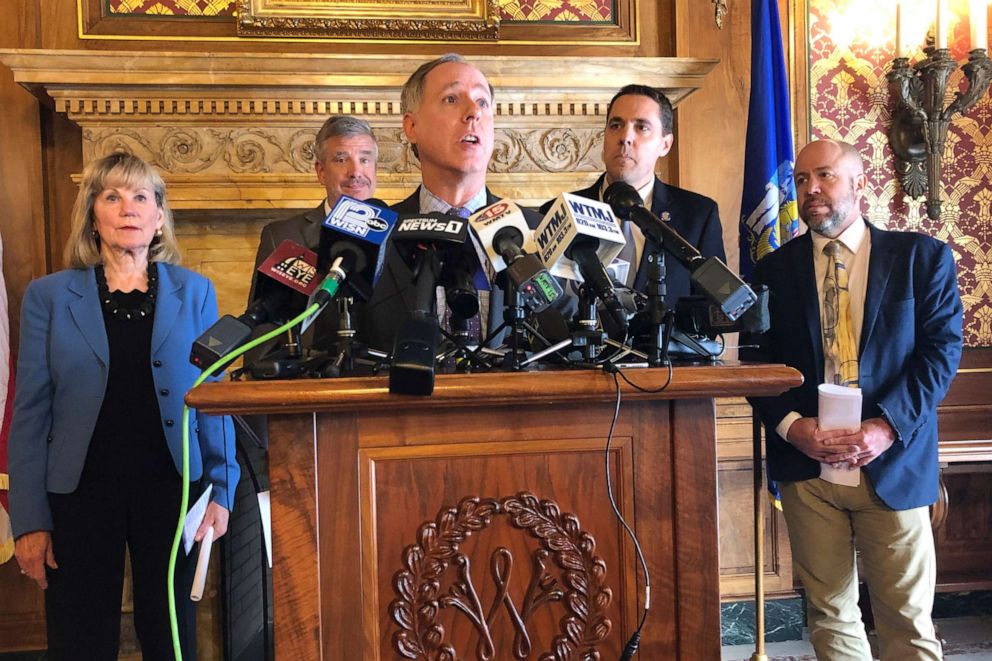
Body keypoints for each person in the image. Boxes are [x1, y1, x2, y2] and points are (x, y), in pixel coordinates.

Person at [9, 152, 240, 661]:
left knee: (170, 633)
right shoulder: (49, 296)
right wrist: (27, 519)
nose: (128, 207)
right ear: (93, 214)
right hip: (80, 493)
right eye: (112, 196)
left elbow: (214, 397)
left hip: (174, 490)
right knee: (80, 637)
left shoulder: (196, 291)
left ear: (159, 216)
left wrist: (223, 489)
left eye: (141, 197)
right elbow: (29, 413)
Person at [744, 139, 963, 660]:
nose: (810, 190)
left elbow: (940, 353)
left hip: (893, 463)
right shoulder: (773, 271)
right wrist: (792, 426)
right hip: (809, 470)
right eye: (801, 180)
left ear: (859, 182)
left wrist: (883, 428)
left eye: (824, 176)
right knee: (829, 613)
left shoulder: (920, 258)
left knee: (906, 619)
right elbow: (755, 363)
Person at [364, 53, 543, 352]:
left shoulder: (537, 232)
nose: (473, 112)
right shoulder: (373, 236)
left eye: (483, 102)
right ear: (411, 127)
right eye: (451, 99)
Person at [540, 84, 725, 302]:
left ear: (665, 144)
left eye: (642, 127)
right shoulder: (556, 212)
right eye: (616, 125)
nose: (625, 137)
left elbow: (715, 308)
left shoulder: (697, 215)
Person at [246, 115, 379, 358]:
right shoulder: (283, 236)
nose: (356, 172)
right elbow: (260, 343)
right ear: (321, 171)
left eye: (364, 159)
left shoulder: (400, 236)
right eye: (341, 160)